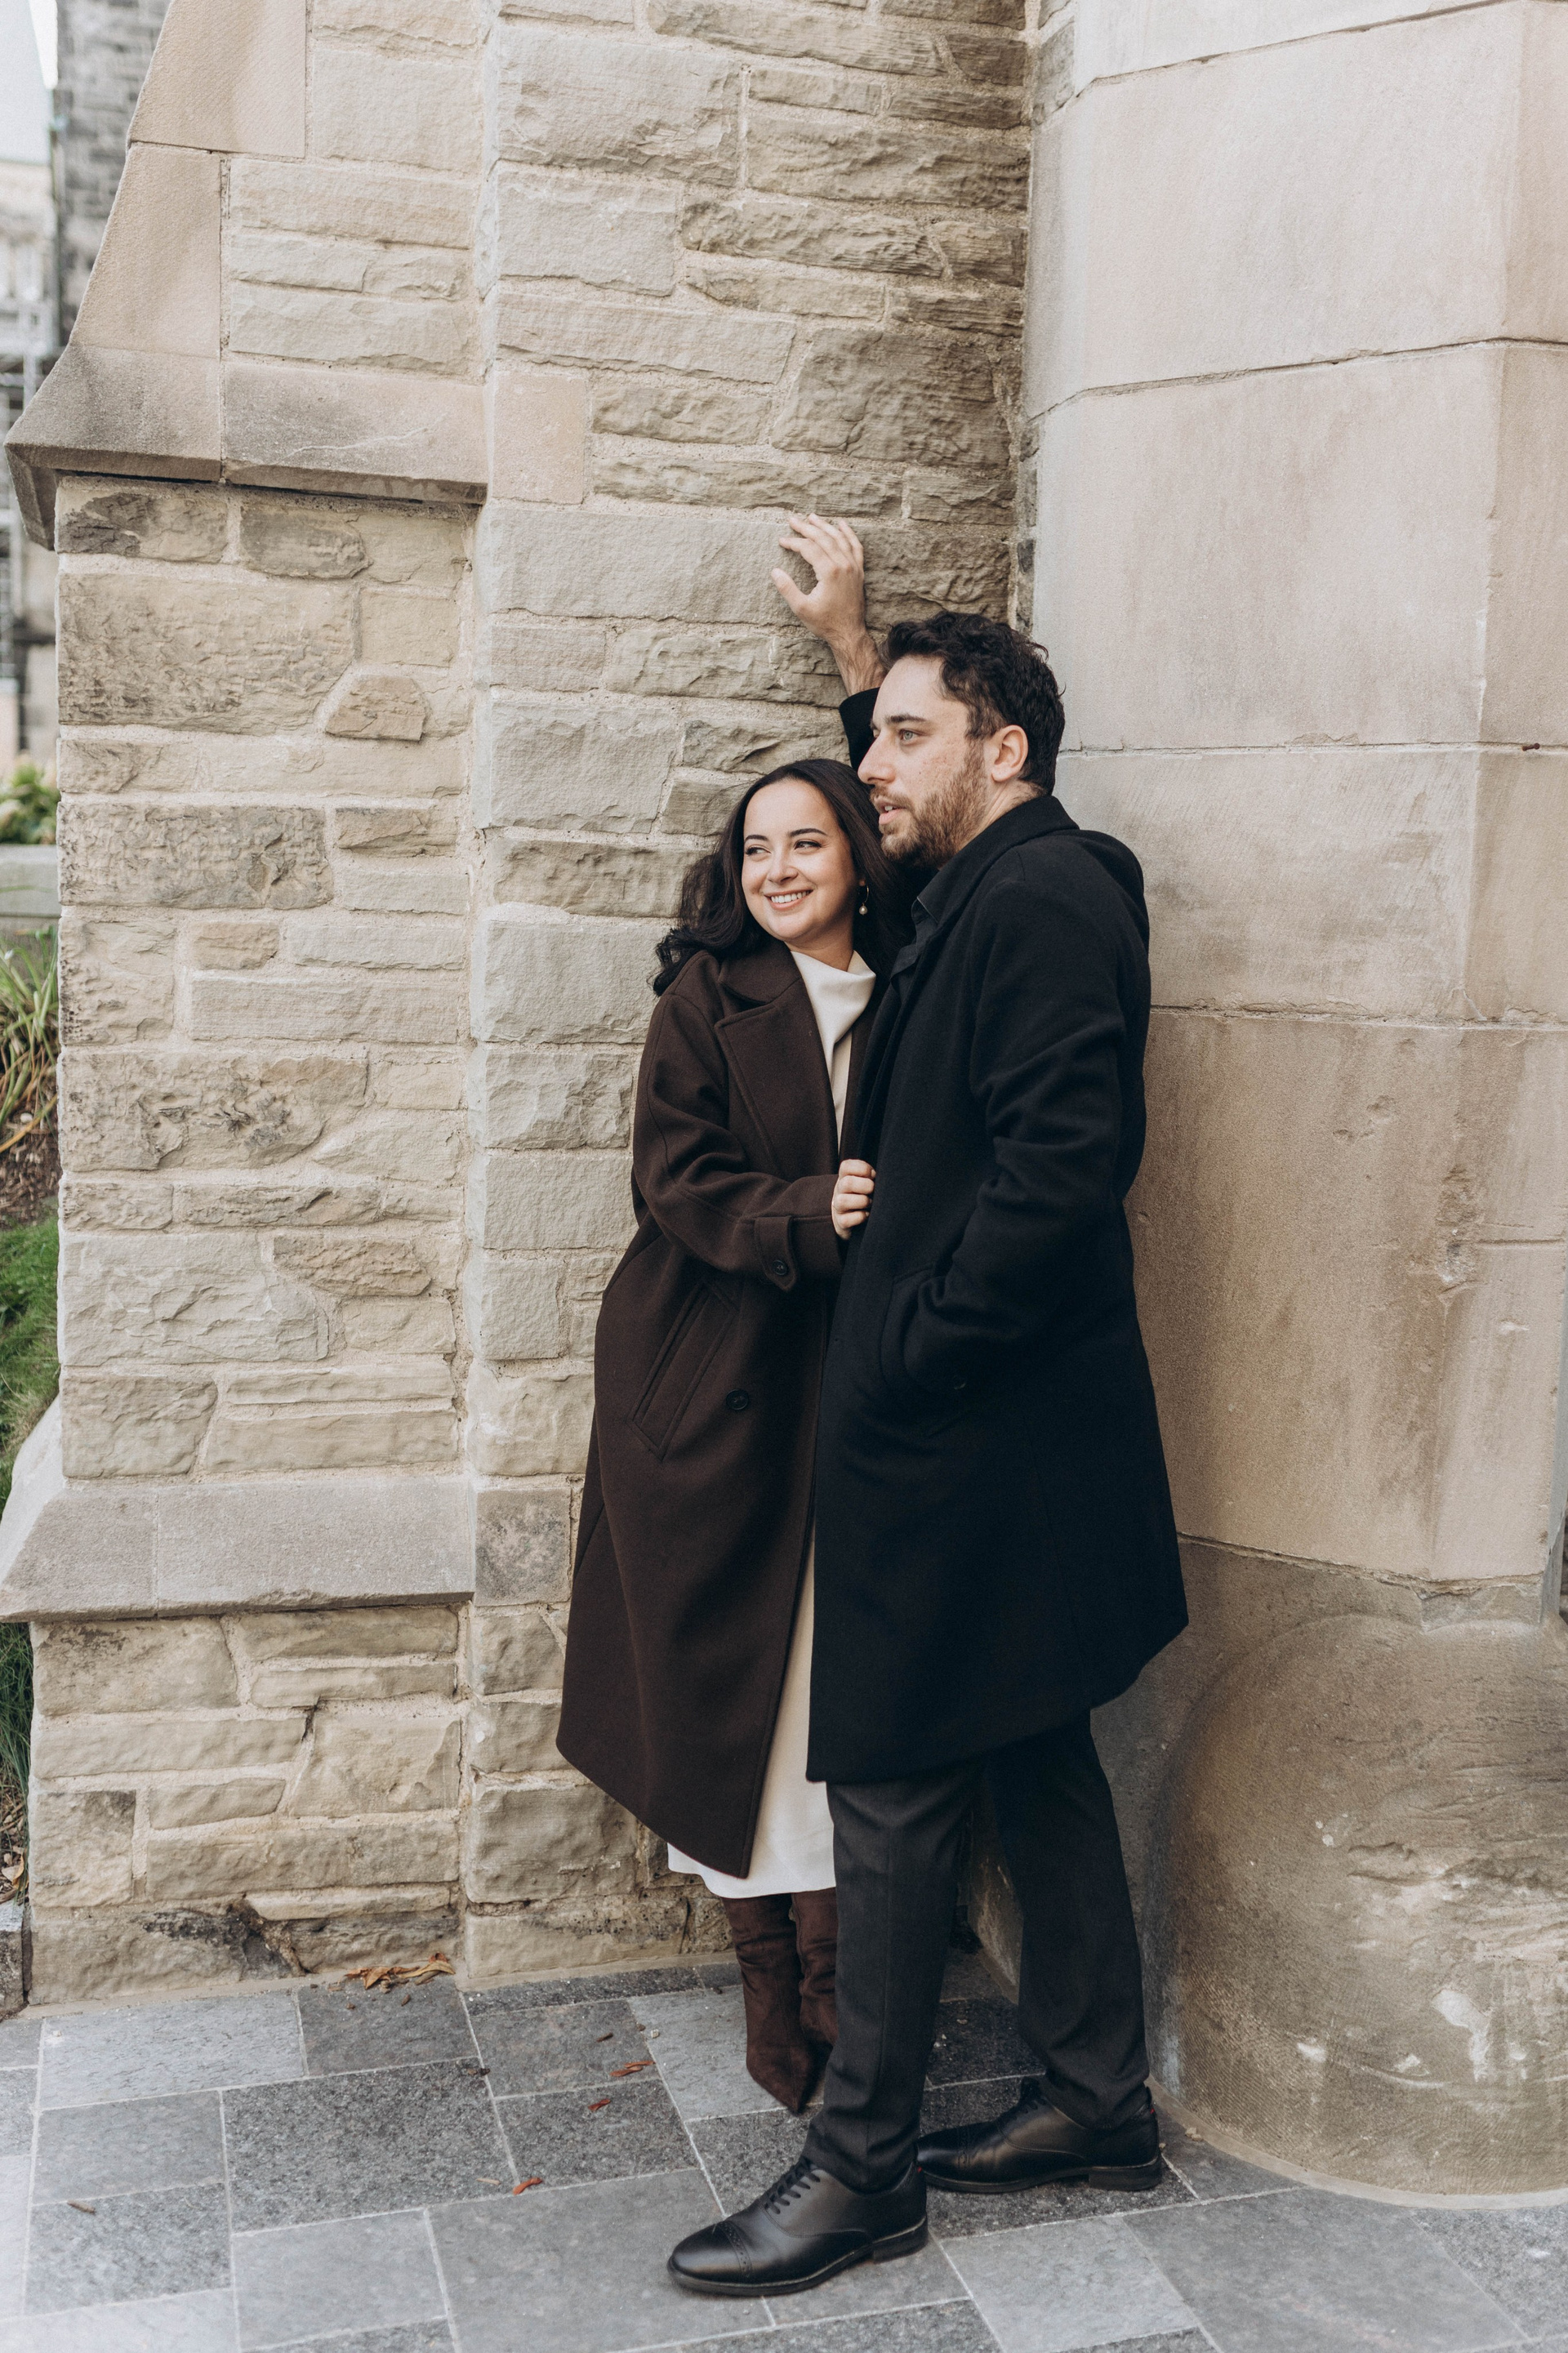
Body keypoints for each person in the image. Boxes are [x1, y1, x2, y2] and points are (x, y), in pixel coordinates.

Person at [668, 524, 1187, 2297]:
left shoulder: (1047, 896)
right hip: (1003, 1439)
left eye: (902, 738)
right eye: (872, 736)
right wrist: (857, 653)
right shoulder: (988, 885)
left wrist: (912, 1356)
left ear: (1005, 749)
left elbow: (1063, 1175)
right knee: (1037, 1756)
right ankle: (1098, 2100)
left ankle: (862, 2167)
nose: (870, 769)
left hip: (973, 1439)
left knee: (891, 1786)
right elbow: (901, 850)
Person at [556, 756, 909, 2115]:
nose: (776, 869)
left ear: (858, 855)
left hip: (857, 1404)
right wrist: (810, 1211)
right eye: (756, 847)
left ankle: (833, 1976)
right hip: (708, 1389)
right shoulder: (707, 996)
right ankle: (771, 1980)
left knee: (825, 1701)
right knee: (722, 1708)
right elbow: (676, 1178)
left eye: (805, 842)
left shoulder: (911, 990)